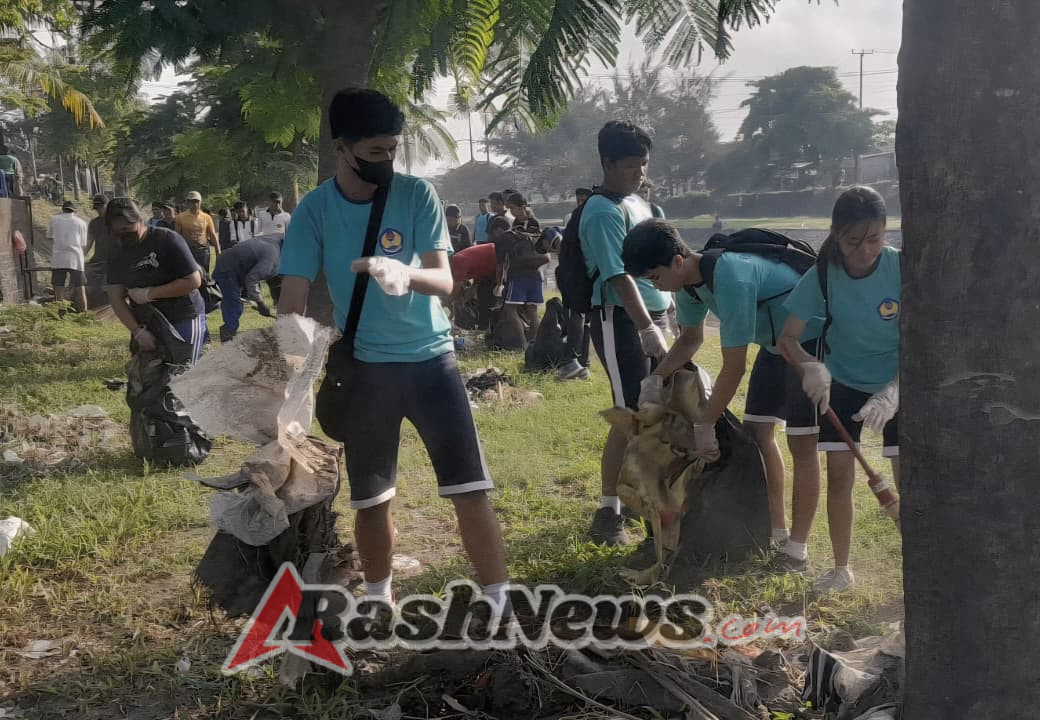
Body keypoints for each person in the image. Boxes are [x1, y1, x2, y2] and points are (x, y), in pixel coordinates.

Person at [276, 87, 509, 614]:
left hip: (431, 364)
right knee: (371, 496)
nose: (388, 161)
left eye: (393, 150)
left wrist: (406, 274)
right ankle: (379, 596)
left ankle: (499, 600)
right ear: (342, 148)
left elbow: (446, 281)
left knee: (469, 487)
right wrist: (286, 365)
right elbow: (292, 297)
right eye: (376, 152)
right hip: (366, 372)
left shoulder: (415, 195)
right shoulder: (314, 210)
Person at [622, 218, 824, 565]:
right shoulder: (689, 286)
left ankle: (797, 550)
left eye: (655, 278)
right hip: (777, 346)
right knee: (759, 432)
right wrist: (656, 378)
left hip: (811, 340)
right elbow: (690, 338)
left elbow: (734, 368)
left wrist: (705, 424)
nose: (657, 286)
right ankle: (776, 530)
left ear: (678, 260)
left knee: (801, 442)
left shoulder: (731, 276)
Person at [778, 186, 899, 594]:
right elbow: (788, 338)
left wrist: (894, 391)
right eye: (853, 241)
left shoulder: (901, 267)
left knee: (908, 479)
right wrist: (812, 368)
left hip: (897, 381)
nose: (865, 251)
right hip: (844, 380)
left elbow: (922, 338)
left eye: (875, 240)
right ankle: (842, 570)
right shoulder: (824, 274)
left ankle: (916, 569)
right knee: (840, 477)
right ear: (835, 235)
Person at [580, 120, 672, 545]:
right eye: (632, 165)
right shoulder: (601, 211)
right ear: (607, 162)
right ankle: (607, 511)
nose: (640, 173)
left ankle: (639, 498)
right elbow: (618, 276)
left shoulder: (641, 204)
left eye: (644, 164)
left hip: (655, 314)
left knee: (656, 412)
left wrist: (667, 313)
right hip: (621, 320)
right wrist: (646, 327)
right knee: (629, 414)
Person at [104, 197, 206, 364]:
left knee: (184, 375)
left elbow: (193, 281)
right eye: (118, 231)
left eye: (128, 228)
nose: (124, 234)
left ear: (140, 220)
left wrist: (150, 293)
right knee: (148, 379)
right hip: (146, 321)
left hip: (183, 315)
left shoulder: (167, 240)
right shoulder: (116, 252)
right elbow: (115, 297)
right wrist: (137, 331)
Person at [212, 234, 280, 342]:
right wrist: (260, 303)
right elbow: (252, 278)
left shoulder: (275, 240)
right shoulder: (273, 254)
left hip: (238, 267)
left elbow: (273, 279)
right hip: (228, 269)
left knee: (229, 304)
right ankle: (227, 340)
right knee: (233, 306)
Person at [47, 200, 89, 312]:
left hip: (58, 259)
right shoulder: (81, 223)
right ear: (75, 211)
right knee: (80, 288)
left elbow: (50, 236)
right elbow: (83, 244)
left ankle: (61, 315)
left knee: (58, 288)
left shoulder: (54, 219)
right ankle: (84, 314)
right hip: (75, 259)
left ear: (62, 209)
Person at [174, 190, 220, 272]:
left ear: (200, 202)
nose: (194, 204)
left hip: (203, 251)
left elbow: (212, 235)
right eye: (191, 202)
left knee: (204, 274)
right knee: (189, 272)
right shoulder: (180, 217)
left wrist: (218, 250)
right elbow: (177, 236)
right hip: (187, 250)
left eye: (196, 201)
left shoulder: (206, 217)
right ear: (188, 203)